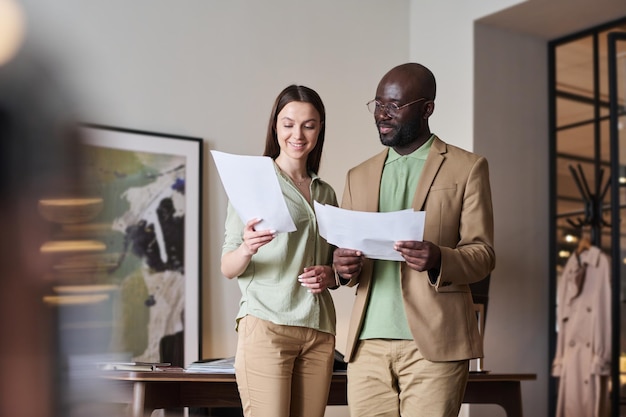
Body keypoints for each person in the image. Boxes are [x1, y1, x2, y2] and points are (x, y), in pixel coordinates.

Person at [333, 63, 496, 417]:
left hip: (436, 345)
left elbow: (483, 254)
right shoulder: (357, 175)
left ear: (427, 109)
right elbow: (344, 256)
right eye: (378, 104)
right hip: (366, 346)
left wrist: (439, 258)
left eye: (394, 105)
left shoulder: (467, 167)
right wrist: (342, 268)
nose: (381, 114)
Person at [221, 85, 339, 417]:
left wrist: (331, 275)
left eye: (309, 125)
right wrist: (247, 247)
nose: (297, 134)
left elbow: (335, 265)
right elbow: (228, 267)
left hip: (319, 331)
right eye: (288, 123)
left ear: (319, 129)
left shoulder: (326, 193)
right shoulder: (252, 182)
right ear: (275, 126)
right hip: (267, 325)